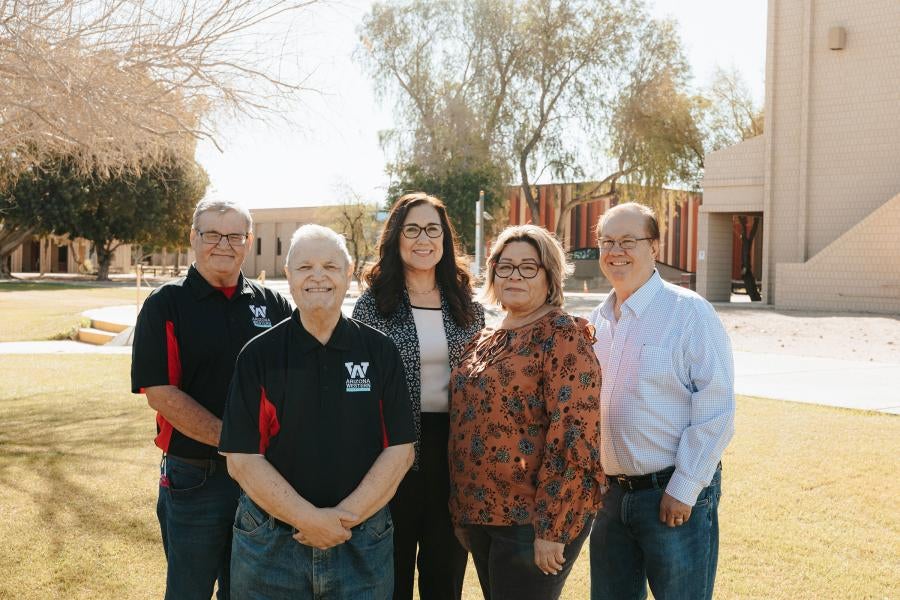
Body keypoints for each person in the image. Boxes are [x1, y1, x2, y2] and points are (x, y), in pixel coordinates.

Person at [219, 224, 416, 599]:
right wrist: (308, 520)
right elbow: (241, 459)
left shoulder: (380, 351)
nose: (318, 276)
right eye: (305, 267)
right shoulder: (258, 356)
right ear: (288, 276)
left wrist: (339, 522)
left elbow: (401, 451)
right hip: (269, 544)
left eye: (330, 266)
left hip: (362, 541)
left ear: (348, 273)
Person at [131, 198, 292, 599]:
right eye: (213, 234)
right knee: (189, 590)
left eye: (235, 235)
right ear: (193, 238)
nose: (224, 244)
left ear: (249, 241)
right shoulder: (165, 304)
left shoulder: (272, 305)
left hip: (262, 478)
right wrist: (235, 442)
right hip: (195, 476)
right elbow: (161, 394)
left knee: (249, 591)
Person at [588, 202, 735, 600]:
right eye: (607, 241)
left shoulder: (688, 313)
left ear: (654, 246)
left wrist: (685, 487)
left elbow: (717, 406)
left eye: (628, 241)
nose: (615, 251)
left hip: (669, 493)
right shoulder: (596, 322)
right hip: (611, 498)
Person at [448, 224, 604, 600]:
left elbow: (574, 436)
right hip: (482, 513)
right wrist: (462, 509)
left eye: (528, 267)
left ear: (549, 275)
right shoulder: (485, 337)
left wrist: (552, 529)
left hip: (531, 521)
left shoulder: (562, 336)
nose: (514, 275)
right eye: (505, 266)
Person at [352, 192, 484, 600]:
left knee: (444, 576)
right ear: (396, 237)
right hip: (391, 449)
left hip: (453, 455)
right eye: (412, 229)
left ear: (445, 239)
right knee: (390, 576)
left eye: (433, 229)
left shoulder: (467, 307)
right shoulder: (373, 307)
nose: (423, 238)